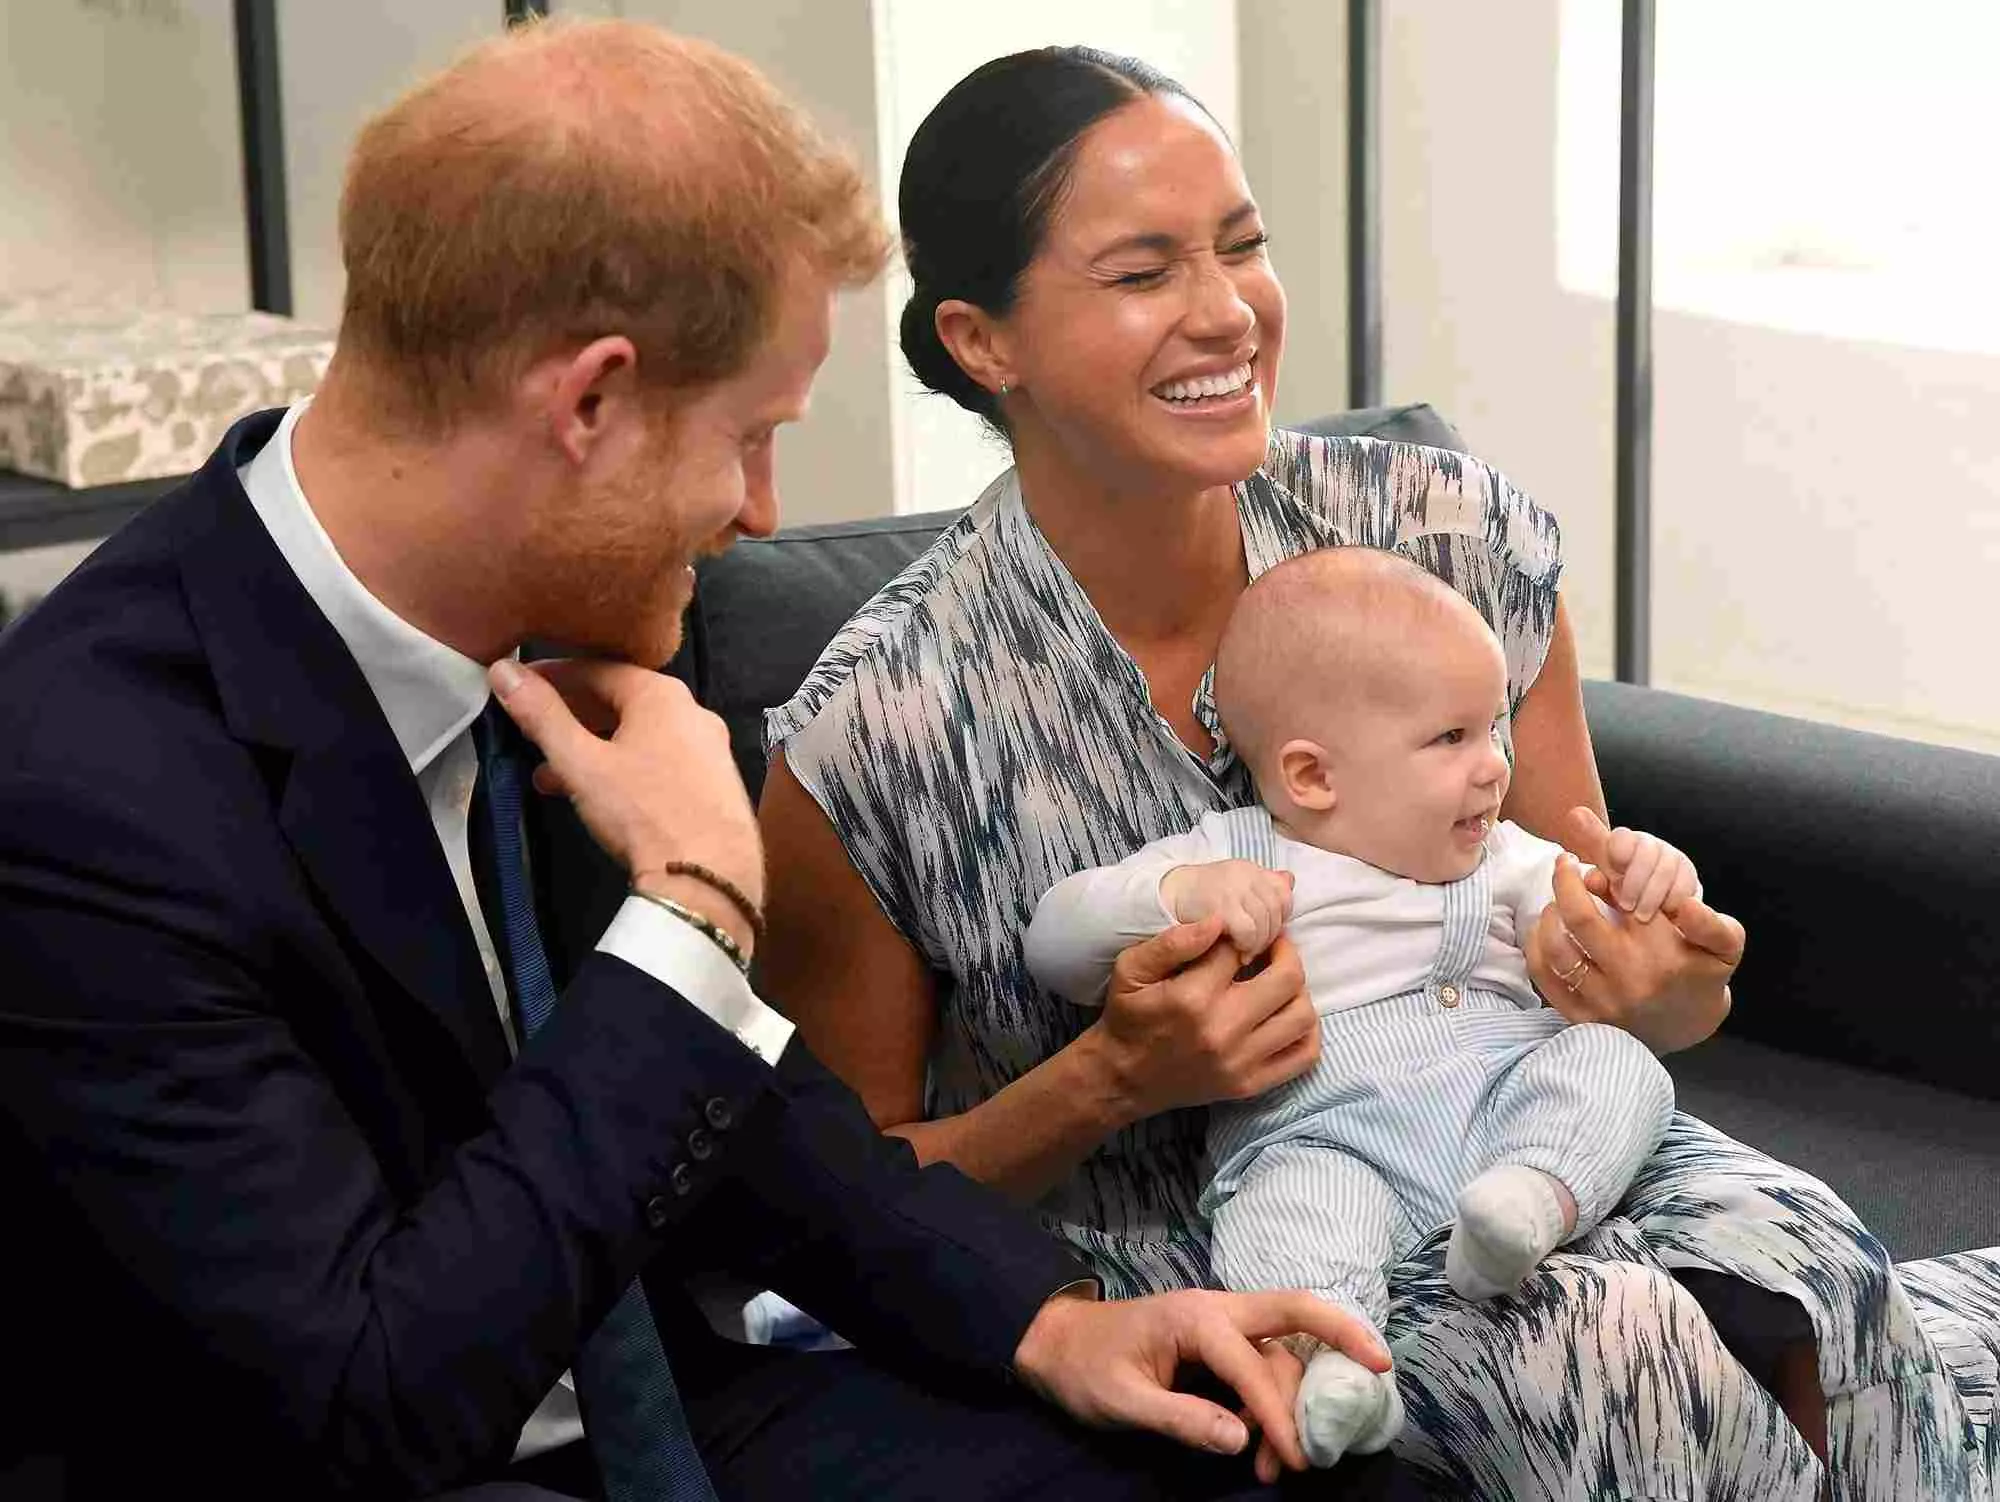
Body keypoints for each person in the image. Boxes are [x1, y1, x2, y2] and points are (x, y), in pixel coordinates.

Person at [0, 21, 1413, 1502]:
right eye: (750, 437)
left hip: (669, 1403)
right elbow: (368, 1398)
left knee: (1272, 1463)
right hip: (367, 1446)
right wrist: (685, 919)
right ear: (589, 402)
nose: (758, 510)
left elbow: (752, 1101)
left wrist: (1052, 1322)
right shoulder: (86, 795)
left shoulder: (586, 607)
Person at [759, 44, 1993, 1500]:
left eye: (1243, 245)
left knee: (1820, 1259)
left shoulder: (1443, 537)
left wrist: (1661, 981)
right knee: (1607, 1343)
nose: (1228, 311)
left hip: (1547, 1135)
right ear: (984, 341)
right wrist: (1109, 1079)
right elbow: (836, 1207)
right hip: (1238, 1241)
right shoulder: (877, 728)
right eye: (1144, 271)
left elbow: (1596, 942)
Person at [1025, 546, 1703, 1465]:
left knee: (1617, 1066)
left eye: (1495, 729)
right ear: (1311, 779)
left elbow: (1603, 923)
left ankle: (1530, 1203)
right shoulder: (1237, 855)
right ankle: (1341, 1367)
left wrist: (1649, 879)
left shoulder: (1501, 857)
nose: (1495, 768)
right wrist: (1179, 895)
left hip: (1506, 1103)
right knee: (1287, 1214)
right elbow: (1054, 944)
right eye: (1451, 739)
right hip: (1325, 1136)